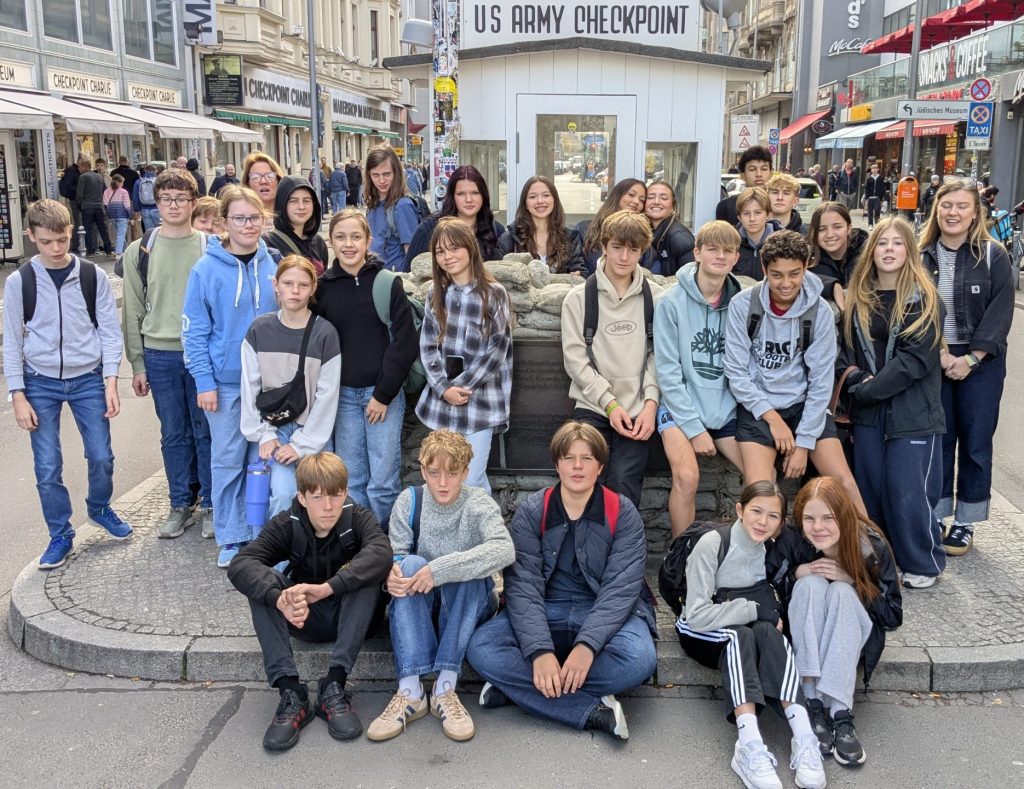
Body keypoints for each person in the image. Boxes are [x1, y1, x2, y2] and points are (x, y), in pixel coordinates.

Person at [466, 422, 658, 741]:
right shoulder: (533, 511)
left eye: (586, 458)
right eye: (569, 458)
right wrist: (540, 652)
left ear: (600, 465)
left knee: (640, 658)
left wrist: (586, 647)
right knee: (482, 646)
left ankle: (517, 691)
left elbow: (619, 592)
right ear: (557, 464)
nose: (577, 466)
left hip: (600, 611)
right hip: (547, 611)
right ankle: (592, 712)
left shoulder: (622, 513)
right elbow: (523, 587)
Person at [227, 452, 392, 750]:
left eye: (335, 495)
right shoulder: (287, 523)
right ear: (302, 497)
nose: (328, 507)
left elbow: (382, 553)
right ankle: (291, 692)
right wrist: (279, 600)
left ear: (344, 492)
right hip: (303, 617)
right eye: (318, 497)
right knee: (262, 583)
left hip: (352, 617)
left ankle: (334, 685)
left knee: (368, 575)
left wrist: (329, 587)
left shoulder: (357, 516)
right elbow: (241, 564)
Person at [3, 199, 134, 570]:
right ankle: (60, 533)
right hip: (39, 381)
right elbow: (12, 339)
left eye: (62, 239)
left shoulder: (92, 276)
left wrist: (111, 379)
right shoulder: (20, 282)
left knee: (101, 455)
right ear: (31, 236)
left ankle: (99, 507)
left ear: (71, 232)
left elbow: (109, 331)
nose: (57, 249)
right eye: (47, 242)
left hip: (87, 378)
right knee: (47, 465)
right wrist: (17, 393)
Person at [677, 481, 828, 788]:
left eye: (773, 516)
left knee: (771, 636)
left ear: (781, 521)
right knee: (741, 636)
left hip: (743, 629)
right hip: (699, 631)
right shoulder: (713, 543)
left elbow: (768, 601)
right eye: (756, 511)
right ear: (739, 510)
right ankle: (748, 744)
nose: (763, 522)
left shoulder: (767, 548)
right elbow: (697, 614)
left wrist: (766, 612)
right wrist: (753, 609)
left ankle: (804, 735)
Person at [368, 430, 515, 742]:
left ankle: (445, 688)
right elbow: (396, 553)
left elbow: (504, 549)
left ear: (465, 472)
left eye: (452, 473)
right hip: (423, 605)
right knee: (409, 566)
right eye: (434, 473)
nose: (443, 483)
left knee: (469, 574)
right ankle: (410, 691)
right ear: (424, 471)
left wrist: (442, 569)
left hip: (469, 603)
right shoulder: (410, 500)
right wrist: (391, 573)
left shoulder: (478, 502)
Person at [724, 230, 867, 515]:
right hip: (758, 408)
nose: (786, 283)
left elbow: (821, 381)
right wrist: (772, 418)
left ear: (805, 268)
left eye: (794, 274)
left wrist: (803, 444)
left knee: (843, 482)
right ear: (764, 270)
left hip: (804, 405)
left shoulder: (818, 312)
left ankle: (871, 552)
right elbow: (736, 372)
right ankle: (765, 557)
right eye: (776, 275)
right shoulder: (744, 305)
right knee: (759, 490)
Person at [836, 217, 946, 588]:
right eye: (882, 243)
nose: (889, 250)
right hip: (868, 415)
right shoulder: (858, 300)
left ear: (909, 252)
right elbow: (841, 353)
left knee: (907, 490)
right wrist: (852, 380)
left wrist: (866, 390)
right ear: (871, 251)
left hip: (912, 414)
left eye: (898, 244)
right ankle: (883, 562)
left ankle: (923, 562)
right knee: (871, 490)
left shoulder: (925, 300)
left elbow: (915, 361)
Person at [768, 477, 902, 767]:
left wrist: (855, 582)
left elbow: (893, 615)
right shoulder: (793, 540)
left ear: (843, 514)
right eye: (810, 518)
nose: (818, 527)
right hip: (803, 637)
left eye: (829, 517)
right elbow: (767, 588)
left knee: (841, 591)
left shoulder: (871, 546)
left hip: (852, 634)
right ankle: (812, 703)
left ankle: (841, 713)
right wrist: (796, 574)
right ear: (799, 519)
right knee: (810, 584)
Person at [182, 185, 280, 568]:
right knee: (227, 459)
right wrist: (204, 382)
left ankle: (261, 535)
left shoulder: (274, 263)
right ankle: (231, 534)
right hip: (224, 382)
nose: (247, 225)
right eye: (239, 218)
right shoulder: (206, 269)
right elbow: (193, 331)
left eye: (254, 217)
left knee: (263, 460)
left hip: (270, 383)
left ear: (263, 219)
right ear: (224, 222)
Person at [920, 179, 1014, 557]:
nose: (953, 213)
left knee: (975, 441)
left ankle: (966, 521)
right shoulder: (922, 252)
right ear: (936, 209)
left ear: (976, 212)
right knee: (939, 439)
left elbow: (1000, 313)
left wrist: (972, 358)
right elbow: (917, 305)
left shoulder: (994, 255)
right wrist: (941, 353)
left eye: (961, 206)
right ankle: (938, 514)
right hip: (935, 357)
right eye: (947, 205)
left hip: (983, 361)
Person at [122, 169, 214, 541]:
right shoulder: (140, 249)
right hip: (159, 354)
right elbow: (132, 309)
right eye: (166, 199)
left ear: (194, 203)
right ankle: (179, 503)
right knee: (173, 433)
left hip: (202, 355)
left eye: (181, 199)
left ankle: (209, 502)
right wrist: (137, 363)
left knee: (206, 431)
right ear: (156, 204)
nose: (173, 205)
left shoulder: (210, 246)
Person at [315, 209, 419, 527]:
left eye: (356, 237)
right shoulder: (322, 290)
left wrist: (383, 394)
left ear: (368, 240)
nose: (349, 244)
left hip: (383, 396)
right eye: (341, 237)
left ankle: (386, 543)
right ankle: (360, 543)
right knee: (353, 477)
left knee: (384, 479)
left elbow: (404, 344)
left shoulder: (387, 284)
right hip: (343, 396)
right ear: (330, 241)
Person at [561, 210, 662, 508]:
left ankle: (623, 551)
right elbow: (576, 360)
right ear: (604, 246)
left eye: (633, 249)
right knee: (582, 483)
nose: (624, 256)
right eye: (617, 247)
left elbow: (659, 355)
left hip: (638, 411)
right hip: (594, 406)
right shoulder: (578, 299)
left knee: (623, 485)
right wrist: (610, 403)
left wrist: (650, 404)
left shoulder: (656, 298)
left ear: (642, 252)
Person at [654, 221, 745, 538]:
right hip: (680, 410)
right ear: (697, 253)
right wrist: (694, 428)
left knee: (762, 475)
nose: (720, 256)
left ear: (736, 257)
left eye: (728, 250)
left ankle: (751, 553)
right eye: (712, 249)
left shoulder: (742, 303)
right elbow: (667, 371)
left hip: (724, 409)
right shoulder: (670, 302)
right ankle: (681, 559)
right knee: (687, 476)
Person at [416, 217, 513, 493]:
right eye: (440, 251)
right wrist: (444, 387)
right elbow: (427, 346)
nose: (448, 256)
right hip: (444, 401)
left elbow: (498, 348)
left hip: (479, 402)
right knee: (446, 477)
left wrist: (463, 384)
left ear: (470, 249)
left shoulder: (494, 294)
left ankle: (488, 533)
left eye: (454, 248)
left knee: (471, 477)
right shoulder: (436, 296)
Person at [241, 256, 341, 522]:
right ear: (276, 285)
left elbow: (327, 395)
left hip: (313, 430)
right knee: (283, 495)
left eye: (303, 285)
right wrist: (264, 435)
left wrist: (303, 445)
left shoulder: (325, 333)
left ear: (313, 288)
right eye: (288, 283)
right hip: (275, 429)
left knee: (320, 498)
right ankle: (280, 559)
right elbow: (250, 388)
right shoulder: (259, 330)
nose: (295, 291)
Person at [404, 165, 505, 266]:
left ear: (483, 195)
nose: (469, 199)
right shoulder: (430, 228)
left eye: (475, 193)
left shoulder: (496, 230)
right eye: (461, 194)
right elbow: (410, 271)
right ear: (452, 196)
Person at [496, 175, 585, 274]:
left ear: (554, 200)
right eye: (533, 197)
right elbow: (497, 278)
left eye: (546, 195)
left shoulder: (570, 237)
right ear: (525, 203)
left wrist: (577, 275)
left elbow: (580, 270)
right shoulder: (508, 240)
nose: (540, 201)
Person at [365, 145, 418, 272]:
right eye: (376, 175)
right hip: (374, 275)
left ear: (396, 173)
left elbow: (412, 253)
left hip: (396, 278)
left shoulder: (402, 206)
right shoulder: (372, 205)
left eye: (386, 174)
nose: (381, 180)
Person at [577, 179, 647, 275]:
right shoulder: (583, 229)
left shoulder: (643, 237)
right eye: (631, 195)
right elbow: (576, 268)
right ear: (617, 196)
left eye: (642, 200)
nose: (636, 201)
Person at [806, 202, 868, 309]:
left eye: (837, 227)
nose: (830, 234)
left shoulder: (868, 254)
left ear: (849, 228)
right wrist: (831, 286)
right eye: (822, 229)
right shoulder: (807, 260)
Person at [266, 175, 329, 276]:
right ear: (282, 204)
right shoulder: (269, 243)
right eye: (293, 201)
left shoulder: (318, 243)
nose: (301, 206)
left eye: (306, 200)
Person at [643, 179, 695, 276]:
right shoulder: (648, 232)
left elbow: (692, 277)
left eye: (664, 198)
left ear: (673, 206)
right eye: (650, 197)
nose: (656, 202)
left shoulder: (679, 237)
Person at [717, 146, 773, 227]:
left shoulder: (778, 204)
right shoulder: (727, 207)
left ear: (771, 174)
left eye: (764, 169)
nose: (759, 174)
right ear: (743, 176)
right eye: (752, 169)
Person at [735, 187, 782, 281]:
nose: (752, 219)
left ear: (768, 214)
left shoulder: (782, 244)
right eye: (746, 213)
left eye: (758, 213)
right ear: (739, 217)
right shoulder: (731, 243)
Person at [76, 159, 114, 256]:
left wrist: (79, 205)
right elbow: (105, 190)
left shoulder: (83, 177)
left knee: (87, 229)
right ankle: (108, 249)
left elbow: (79, 194)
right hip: (99, 206)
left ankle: (91, 250)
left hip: (87, 206)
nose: (78, 169)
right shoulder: (99, 177)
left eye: (79, 167)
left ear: (84, 166)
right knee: (102, 228)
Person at [102, 174, 133, 256]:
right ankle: (118, 253)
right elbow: (127, 205)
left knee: (120, 234)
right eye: (122, 182)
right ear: (120, 182)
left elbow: (105, 203)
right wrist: (130, 216)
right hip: (122, 215)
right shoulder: (124, 192)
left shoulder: (106, 191)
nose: (123, 184)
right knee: (121, 234)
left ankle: (126, 251)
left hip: (112, 215)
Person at [133, 164, 160, 231]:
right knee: (159, 229)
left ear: (145, 170)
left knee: (149, 230)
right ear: (155, 171)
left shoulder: (139, 182)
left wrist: (136, 209)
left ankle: (150, 241)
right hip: (156, 208)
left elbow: (135, 197)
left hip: (144, 209)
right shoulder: (158, 181)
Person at [862, 164, 886, 229]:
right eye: (873, 168)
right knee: (870, 211)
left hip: (878, 197)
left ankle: (877, 221)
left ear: (878, 169)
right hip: (870, 197)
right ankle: (870, 224)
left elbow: (883, 188)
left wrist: (882, 197)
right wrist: (866, 197)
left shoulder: (880, 178)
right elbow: (866, 188)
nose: (874, 169)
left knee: (877, 210)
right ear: (871, 170)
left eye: (876, 168)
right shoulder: (869, 178)